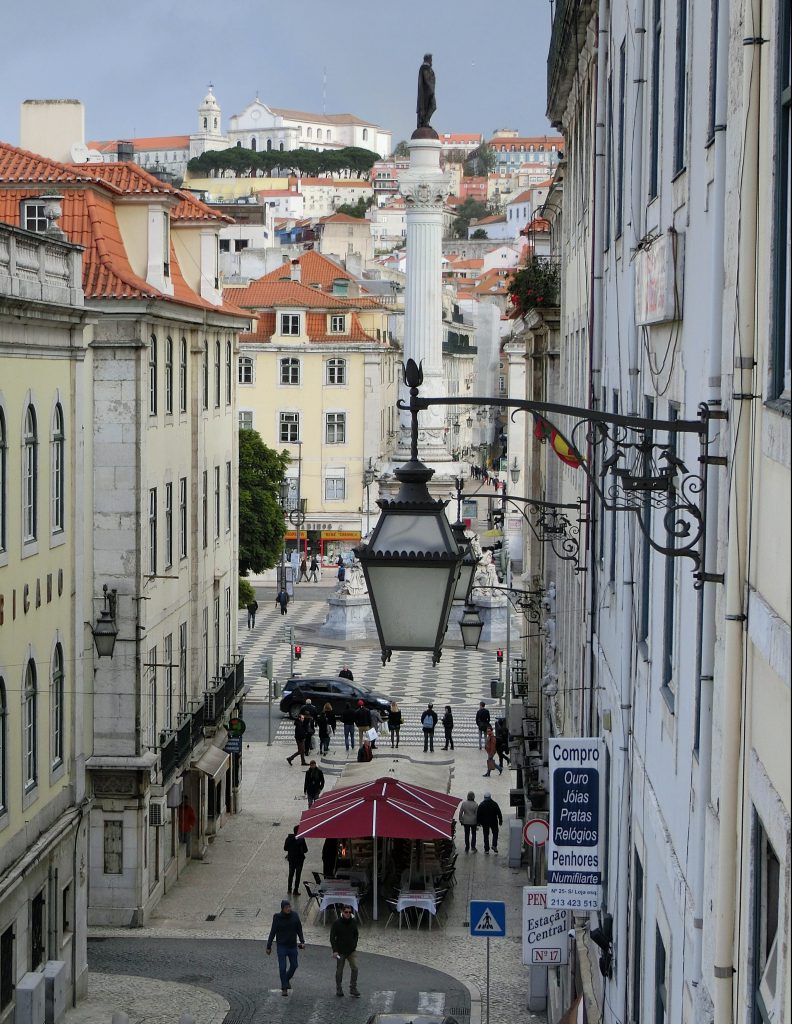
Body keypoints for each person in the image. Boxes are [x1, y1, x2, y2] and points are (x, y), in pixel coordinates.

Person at [266, 898, 305, 996]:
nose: (289, 909)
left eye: (289, 907)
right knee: (282, 967)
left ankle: (286, 979)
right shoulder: (277, 917)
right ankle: (284, 987)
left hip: (292, 946)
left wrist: (302, 941)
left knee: (294, 965)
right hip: (282, 946)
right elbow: (273, 932)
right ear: (282, 908)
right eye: (286, 907)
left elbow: (299, 929)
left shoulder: (295, 916)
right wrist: (269, 946)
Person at [330, 905, 360, 998]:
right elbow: (332, 937)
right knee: (339, 970)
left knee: (355, 968)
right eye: (346, 912)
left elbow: (356, 934)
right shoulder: (337, 923)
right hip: (340, 951)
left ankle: (353, 988)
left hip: (351, 950)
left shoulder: (353, 922)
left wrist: (354, 944)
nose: (348, 914)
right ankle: (339, 988)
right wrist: (335, 950)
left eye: (349, 912)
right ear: (342, 912)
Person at [284, 826, 308, 894]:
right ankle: (296, 890)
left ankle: (289, 889)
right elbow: (305, 850)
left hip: (291, 859)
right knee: (298, 875)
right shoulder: (301, 839)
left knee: (291, 874)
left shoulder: (289, 838)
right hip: (299, 860)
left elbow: (285, 848)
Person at [416, 53, 436, 131]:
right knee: (431, 106)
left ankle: (425, 122)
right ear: (428, 60)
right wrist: (431, 91)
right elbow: (427, 80)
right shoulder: (425, 68)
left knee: (431, 107)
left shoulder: (427, 68)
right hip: (426, 93)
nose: (432, 61)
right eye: (431, 60)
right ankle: (424, 122)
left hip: (429, 91)